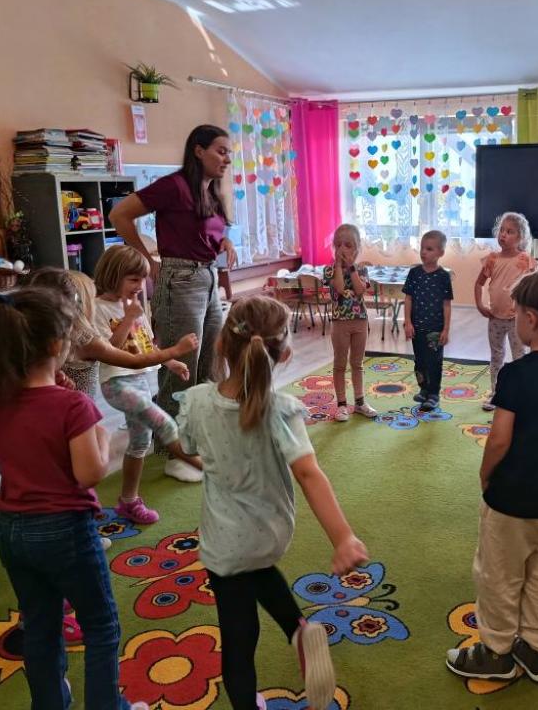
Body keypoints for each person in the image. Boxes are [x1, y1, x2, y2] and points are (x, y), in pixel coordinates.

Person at [0, 288, 149, 710]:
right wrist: (104, 439)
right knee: (101, 627)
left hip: (12, 532)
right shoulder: (73, 405)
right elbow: (88, 474)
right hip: (66, 532)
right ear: (57, 346)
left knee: (40, 628)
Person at [177, 296, 369, 710]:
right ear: (284, 354)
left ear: (221, 345)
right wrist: (343, 537)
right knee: (259, 567)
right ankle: (298, 629)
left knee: (238, 639)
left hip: (224, 541)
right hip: (270, 532)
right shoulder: (281, 410)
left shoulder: (196, 402)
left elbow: (188, 447)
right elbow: (308, 473)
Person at [0, 268, 199, 532]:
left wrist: (57, 380)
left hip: (36, 434)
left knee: (33, 495)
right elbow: (91, 473)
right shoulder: (77, 339)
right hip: (50, 433)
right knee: (44, 493)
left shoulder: (29, 339)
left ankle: (12, 518)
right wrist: (176, 351)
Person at [445, 268, 538, 685]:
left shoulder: (516, 374)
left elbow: (499, 439)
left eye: (518, 311)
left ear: (531, 319)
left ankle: (496, 652)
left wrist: (486, 475)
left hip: (511, 500)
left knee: (499, 578)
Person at [108, 124, 238, 483]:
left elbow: (207, 234)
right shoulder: (174, 186)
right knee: (181, 366)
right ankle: (173, 451)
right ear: (198, 150)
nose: (227, 159)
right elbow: (119, 215)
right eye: (221, 151)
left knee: (212, 363)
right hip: (180, 279)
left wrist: (225, 243)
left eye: (229, 153)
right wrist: (145, 257)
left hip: (208, 278)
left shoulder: (210, 192)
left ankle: (198, 438)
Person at [93, 245, 201, 525]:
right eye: (133, 279)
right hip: (117, 384)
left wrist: (170, 362)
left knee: (140, 443)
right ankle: (206, 468)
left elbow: (147, 345)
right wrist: (128, 317)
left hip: (141, 381)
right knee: (163, 423)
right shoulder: (98, 308)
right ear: (112, 275)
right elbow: (109, 350)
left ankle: (129, 501)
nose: (139, 285)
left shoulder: (137, 307)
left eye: (142, 279)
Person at [475, 212, 537, 411]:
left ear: (520, 237)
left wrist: (530, 312)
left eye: (509, 232)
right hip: (495, 319)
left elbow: (534, 288)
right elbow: (479, 284)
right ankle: (496, 393)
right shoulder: (492, 259)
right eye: (501, 230)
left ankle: (521, 394)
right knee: (496, 356)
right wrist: (480, 305)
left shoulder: (525, 260)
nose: (503, 234)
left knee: (519, 357)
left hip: (517, 320)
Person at [322, 223, 377, 422]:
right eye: (338, 245)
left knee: (357, 363)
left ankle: (360, 402)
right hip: (340, 324)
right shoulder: (329, 270)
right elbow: (338, 287)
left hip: (360, 322)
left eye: (348, 245)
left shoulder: (361, 269)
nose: (342, 249)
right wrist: (338, 266)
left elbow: (360, 290)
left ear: (357, 248)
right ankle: (342, 404)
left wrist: (351, 267)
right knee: (339, 364)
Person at [403, 230, 454, 411]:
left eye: (429, 249)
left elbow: (446, 304)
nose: (424, 252)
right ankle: (424, 389)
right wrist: (408, 322)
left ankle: (433, 394)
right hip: (417, 327)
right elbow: (408, 299)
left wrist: (446, 329)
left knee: (434, 362)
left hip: (435, 329)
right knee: (420, 361)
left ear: (441, 252)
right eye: (422, 248)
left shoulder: (443, 276)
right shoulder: (414, 273)